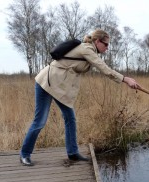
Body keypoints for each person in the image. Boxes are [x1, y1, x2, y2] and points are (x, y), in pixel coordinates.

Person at [20, 29, 139, 166]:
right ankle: (25, 154)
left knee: (70, 118)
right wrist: (125, 79)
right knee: (40, 121)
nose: (107, 48)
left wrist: (126, 80)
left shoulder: (89, 50)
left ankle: (72, 153)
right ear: (97, 41)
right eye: (106, 45)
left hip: (59, 88)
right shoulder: (86, 49)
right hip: (46, 83)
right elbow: (104, 69)